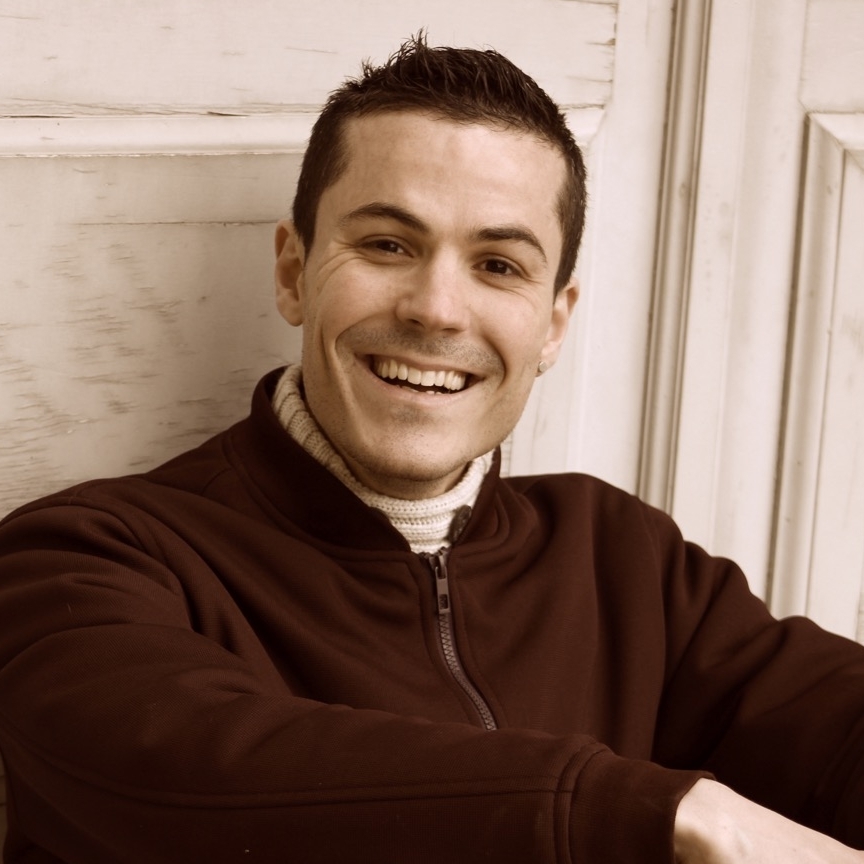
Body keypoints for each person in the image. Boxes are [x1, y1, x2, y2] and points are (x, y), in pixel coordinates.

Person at [0, 34, 862, 864]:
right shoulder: (81, 559)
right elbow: (190, 770)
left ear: (553, 324)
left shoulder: (626, 559)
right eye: (387, 245)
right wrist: (658, 816)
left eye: (499, 265)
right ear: (294, 272)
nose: (437, 309)